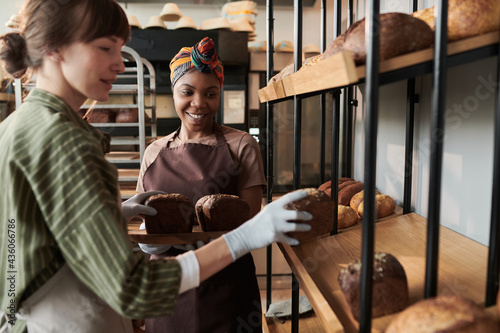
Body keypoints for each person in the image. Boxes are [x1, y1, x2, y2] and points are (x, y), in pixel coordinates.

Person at [0, 1, 313, 333]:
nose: (120, 65)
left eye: (120, 49)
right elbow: (133, 289)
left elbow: (15, 249)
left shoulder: (14, 127)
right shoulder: (69, 143)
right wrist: (245, 237)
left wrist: (109, 217)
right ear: (54, 49)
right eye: (106, 47)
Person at [135, 37, 268, 332]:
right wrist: (148, 240)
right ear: (173, 92)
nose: (199, 103)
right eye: (188, 92)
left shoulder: (242, 145)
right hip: (167, 289)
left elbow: (251, 228)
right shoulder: (154, 152)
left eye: (210, 93)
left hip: (226, 289)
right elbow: (144, 227)